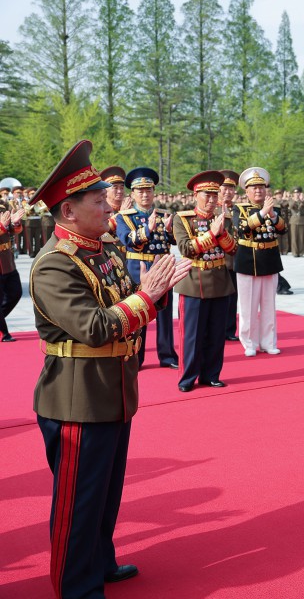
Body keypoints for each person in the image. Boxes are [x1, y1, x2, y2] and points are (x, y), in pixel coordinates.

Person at [29, 140, 192, 599]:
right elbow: (96, 327)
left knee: (104, 496)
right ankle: (75, 586)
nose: (109, 205)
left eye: (107, 198)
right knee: (78, 504)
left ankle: (99, 562)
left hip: (114, 391)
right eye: (98, 201)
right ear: (67, 212)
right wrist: (147, 295)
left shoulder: (104, 247)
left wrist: (152, 293)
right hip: (76, 399)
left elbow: (128, 304)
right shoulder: (54, 266)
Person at [173, 171, 237, 392]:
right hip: (194, 282)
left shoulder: (224, 219)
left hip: (219, 280)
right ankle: (188, 377)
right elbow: (186, 249)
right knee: (191, 335)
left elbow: (234, 249)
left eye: (214, 195)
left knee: (216, 333)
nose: (211, 200)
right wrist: (212, 233)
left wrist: (220, 234)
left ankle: (211, 374)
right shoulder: (182, 218)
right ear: (195, 195)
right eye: (206, 195)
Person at [116, 167, 180, 369]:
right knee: (138, 314)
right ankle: (137, 355)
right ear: (132, 194)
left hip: (161, 269)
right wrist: (147, 230)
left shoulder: (163, 214)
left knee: (165, 315)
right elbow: (127, 241)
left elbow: (173, 241)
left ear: (154, 192)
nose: (145, 194)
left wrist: (170, 231)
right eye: (140, 191)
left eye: (149, 190)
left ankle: (167, 355)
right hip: (138, 270)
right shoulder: (124, 217)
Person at [233, 167, 286, 356]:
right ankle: (249, 342)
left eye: (261, 187)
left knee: (269, 305)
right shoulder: (238, 209)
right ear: (246, 191)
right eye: (254, 188)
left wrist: (272, 215)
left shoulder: (274, 209)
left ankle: (268, 341)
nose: (258, 191)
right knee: (248, 306)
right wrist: (263, 213)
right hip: (248, 260)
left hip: (269, 259)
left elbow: (282, 229)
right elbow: (243, 229)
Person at [219, 170, 240, 341]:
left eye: (231, 189)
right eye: (224, 189)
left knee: (233, 296)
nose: (227, 192)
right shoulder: (212, 209)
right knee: (219, 297)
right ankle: (217, 329)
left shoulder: (238, 210)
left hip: (235, 259)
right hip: (217, 259)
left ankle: (229, 330)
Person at [0, 196, 24, 341]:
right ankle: (5, 333)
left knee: (16, 294)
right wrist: (2, 226)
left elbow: (14, 231)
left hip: (8, 265)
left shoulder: (2, 209)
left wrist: (15, 222)